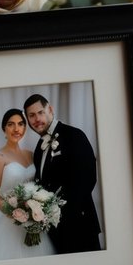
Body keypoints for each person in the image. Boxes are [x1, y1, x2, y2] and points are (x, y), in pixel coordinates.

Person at [24, 93, 102, 254]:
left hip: (79, 226)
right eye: (31, 115)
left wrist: (61, 212)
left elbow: (88, 178)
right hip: (54, 230)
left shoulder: (74, 135)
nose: (37, 119)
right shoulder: (39, 148)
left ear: (50, 110)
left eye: (40, 112)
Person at [0, 108, 54, 260]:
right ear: (4, 128)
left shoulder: (30, 154)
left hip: (35, 219)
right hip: (11, 223)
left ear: (25, 127)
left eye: (21, 124)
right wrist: (15, 214)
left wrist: (36, 211)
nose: (17, 129)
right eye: (11, 124)